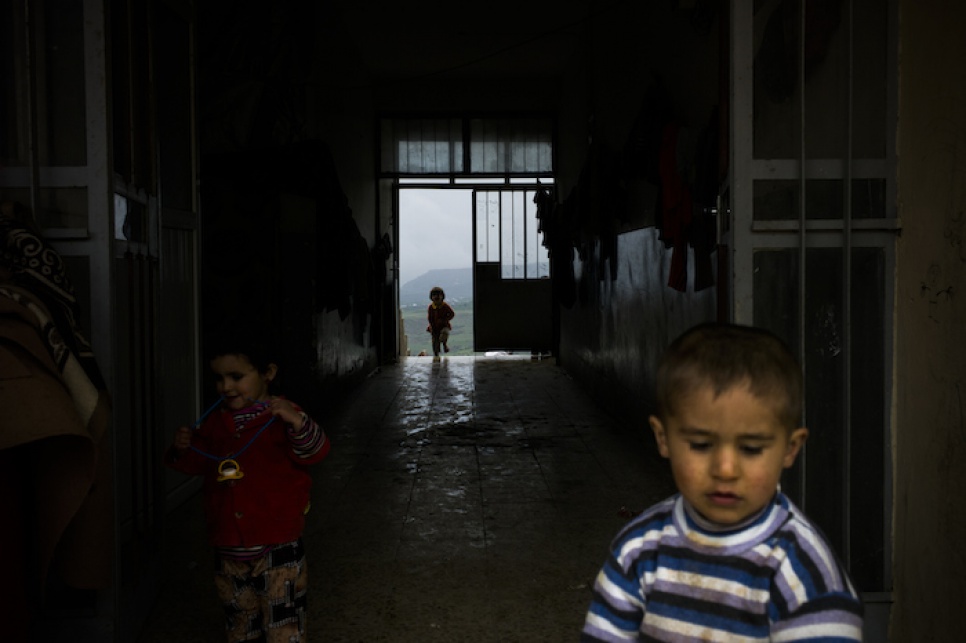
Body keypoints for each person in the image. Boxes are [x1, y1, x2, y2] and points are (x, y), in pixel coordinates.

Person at [581, 323, 864, 642]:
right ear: (663, 439)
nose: (726, 470)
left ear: (790, 449)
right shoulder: (638, 551)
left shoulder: (804, 573)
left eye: (751, 449)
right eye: (701, 445)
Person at [165, 329, 330, 643]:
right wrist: (182, 448)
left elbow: (317, 450)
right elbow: (197, 464)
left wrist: (297, 422)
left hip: (278, 548)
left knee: (284, 628)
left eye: (236, 376)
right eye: (219, 378)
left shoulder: (285, 416)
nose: (226, 387)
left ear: (268, 373)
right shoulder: (215, 423)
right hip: (228, 550)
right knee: (240, 625)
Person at [426, 285, 455, 357]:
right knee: (435, 341)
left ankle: (444, 345)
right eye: (434, 295)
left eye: (439, 295)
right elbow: (430, 318)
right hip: (434, 327)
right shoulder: (431, 307)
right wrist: (432, 327)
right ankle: (436, 354)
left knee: (444, 334)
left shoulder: (445, 306)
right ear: (431, 297)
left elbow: (452, 314)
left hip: (444, 326)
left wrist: (444, 320)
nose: (436, 297)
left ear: (442, 296)